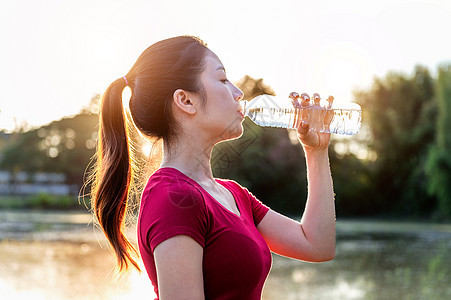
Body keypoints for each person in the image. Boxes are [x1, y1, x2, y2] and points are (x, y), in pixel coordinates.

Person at [91, 35, 335, 300]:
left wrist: (316, 151)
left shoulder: (233, 194)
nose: (238, 92)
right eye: (222, 80)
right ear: (186, 101)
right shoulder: (173, 196)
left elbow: (317, 244)